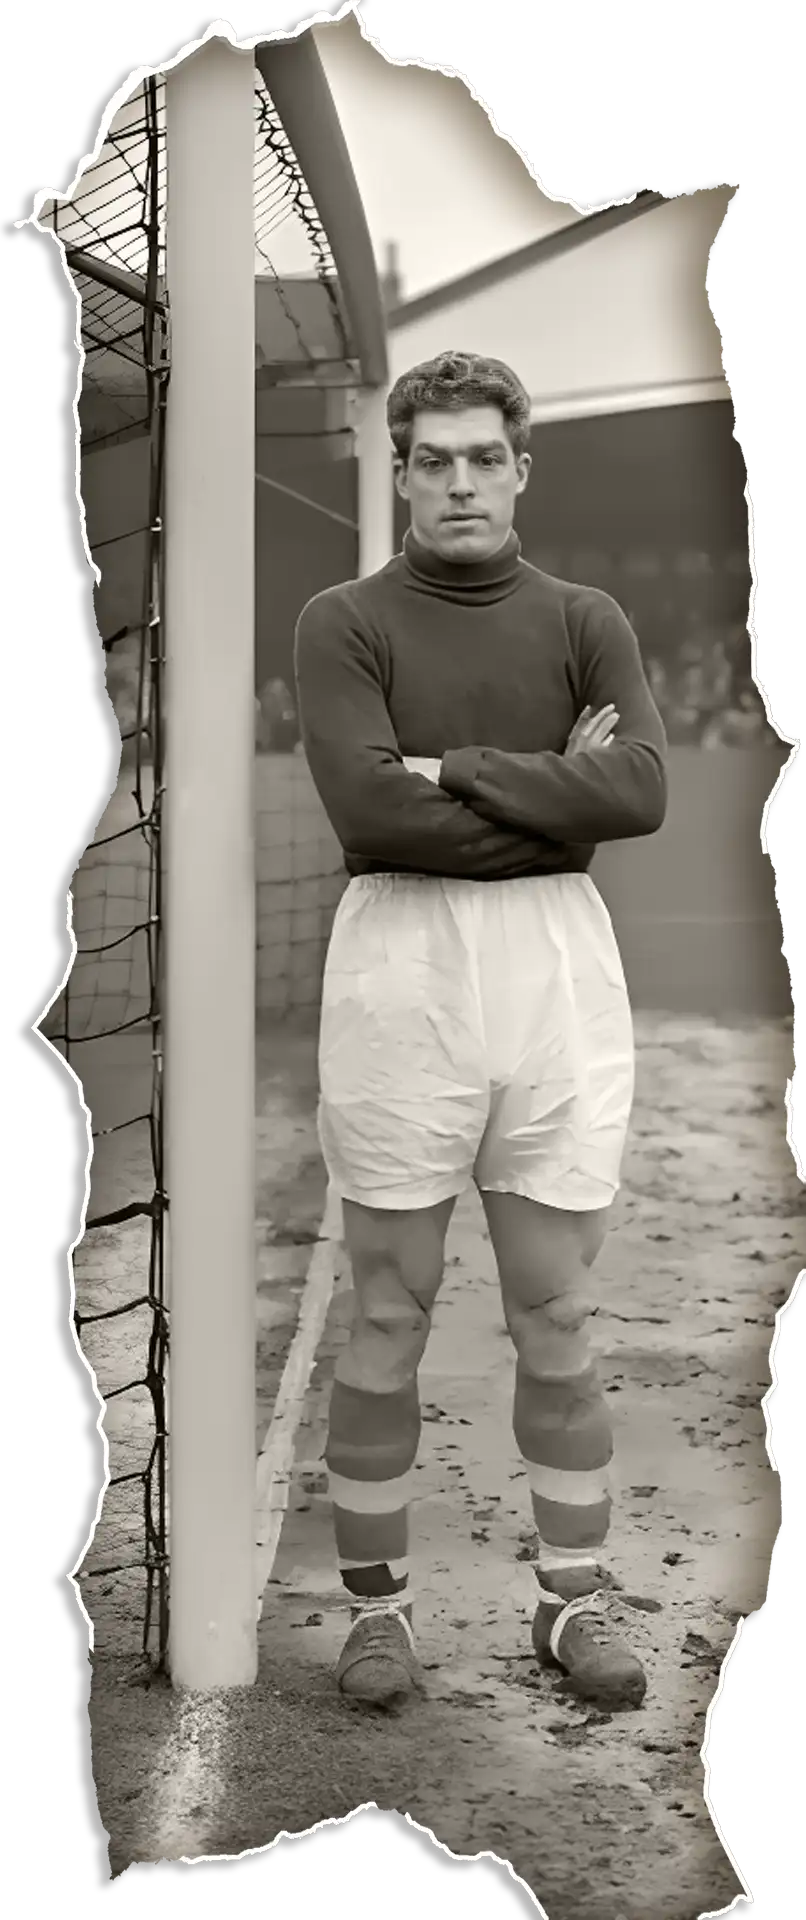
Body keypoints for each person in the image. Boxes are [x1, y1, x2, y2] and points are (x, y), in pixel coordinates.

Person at [294, 351, 668, 1714]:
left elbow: (636, 792)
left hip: (554, 968)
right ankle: (378, 1615)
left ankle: (572, 1600)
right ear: (399, 472)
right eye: (432, 460)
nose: (459, 482)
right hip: (400, 967)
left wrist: (445, 767)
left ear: (519, 470)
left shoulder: (584, 618)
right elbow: (367, 812)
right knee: (388, 1308)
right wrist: (551, 788)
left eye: (482, 458)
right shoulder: (344, 621)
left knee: (556, 1309)